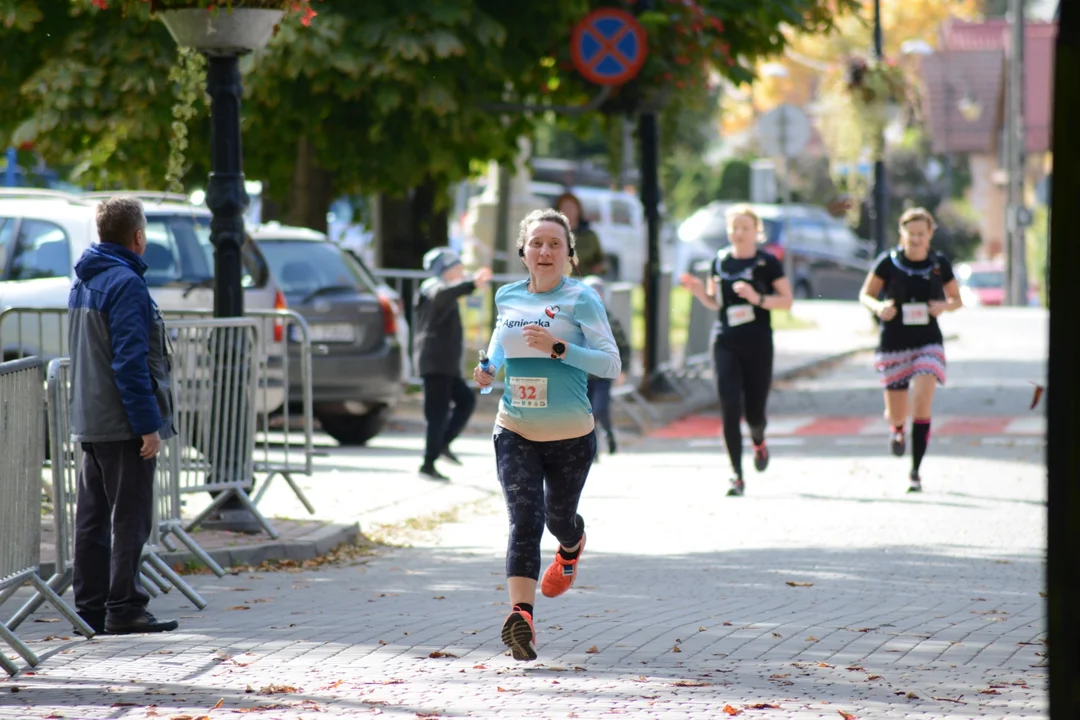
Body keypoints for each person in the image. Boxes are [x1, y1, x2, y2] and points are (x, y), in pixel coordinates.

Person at [473, 208, 621, 661]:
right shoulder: (508, 297)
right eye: (537, 242)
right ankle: (522, 618)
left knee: (558, 519)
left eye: (555, 244)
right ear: (523, 251)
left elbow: (610, 363)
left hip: (571, 434)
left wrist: (559, 348)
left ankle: (571, 546)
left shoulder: (582, 299)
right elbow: (500, 343)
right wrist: (488, 369)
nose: (545, 251)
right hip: (515, 426)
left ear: (569, 255)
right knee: (524, 520)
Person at [67, 196, 178, 635]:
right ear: (137, 237)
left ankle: (89, 610)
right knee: (130, 516)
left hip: (90, 419)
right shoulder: (127, 284)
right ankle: (125, 607)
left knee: (92, 519)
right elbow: (129, 362)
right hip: (120, 420)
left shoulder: (85, 280)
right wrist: (147, 425)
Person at [680, 204, 793, 498]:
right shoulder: (720, 261)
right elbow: (716, 303)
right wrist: (698, 292)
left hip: (757, 342)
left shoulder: (767, 263)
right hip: (725, 340)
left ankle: (758, 437)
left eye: (745, 228)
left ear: (756, 232)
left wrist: (757, 297)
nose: (739, 233)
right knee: (730, 406)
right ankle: (736, 475)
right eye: (734, 228)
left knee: (755, 411)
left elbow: (786, 300)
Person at [858, 207, 962, 493]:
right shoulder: (888, 263)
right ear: (902, 234)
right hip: (893, 342)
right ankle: (897, 429)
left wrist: (944, 306)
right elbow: (865, 294)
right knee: (896, 412)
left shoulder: (939, 264)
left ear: (930, 234)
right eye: (910, 234)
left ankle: (915, 471)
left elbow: (957, 299)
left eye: (921, 234)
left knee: (924, 394)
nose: (916, 239)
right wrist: (879, 307)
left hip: (928, 340)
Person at [414, 247, 492, 481]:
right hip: (435, 362)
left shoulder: (443, 288)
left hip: (445, 363)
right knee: (437, 414)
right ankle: (428, 463)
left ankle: (442, 444)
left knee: (466, 400)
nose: (460, 272)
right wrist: (471, 284)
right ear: (444, 270)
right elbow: (442, 295)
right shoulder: (433, 287)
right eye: (456, 268)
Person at [580, 275, 631, 460]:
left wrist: (623, 370)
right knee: (586, 412)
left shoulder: (609, 320)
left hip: (603, 374)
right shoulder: (576, 318)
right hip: (583, 375)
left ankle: (607, 437)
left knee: (599, 409)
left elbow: (623, 346)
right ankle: (592, 449)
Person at [556, 191, 606, 276]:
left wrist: (600, 267)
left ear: (578, 210)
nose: (569, 211)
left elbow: (602, 261)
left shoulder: (590, 236)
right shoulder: (551, 235)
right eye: (565, 208)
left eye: (572, 207)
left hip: (584, 281)